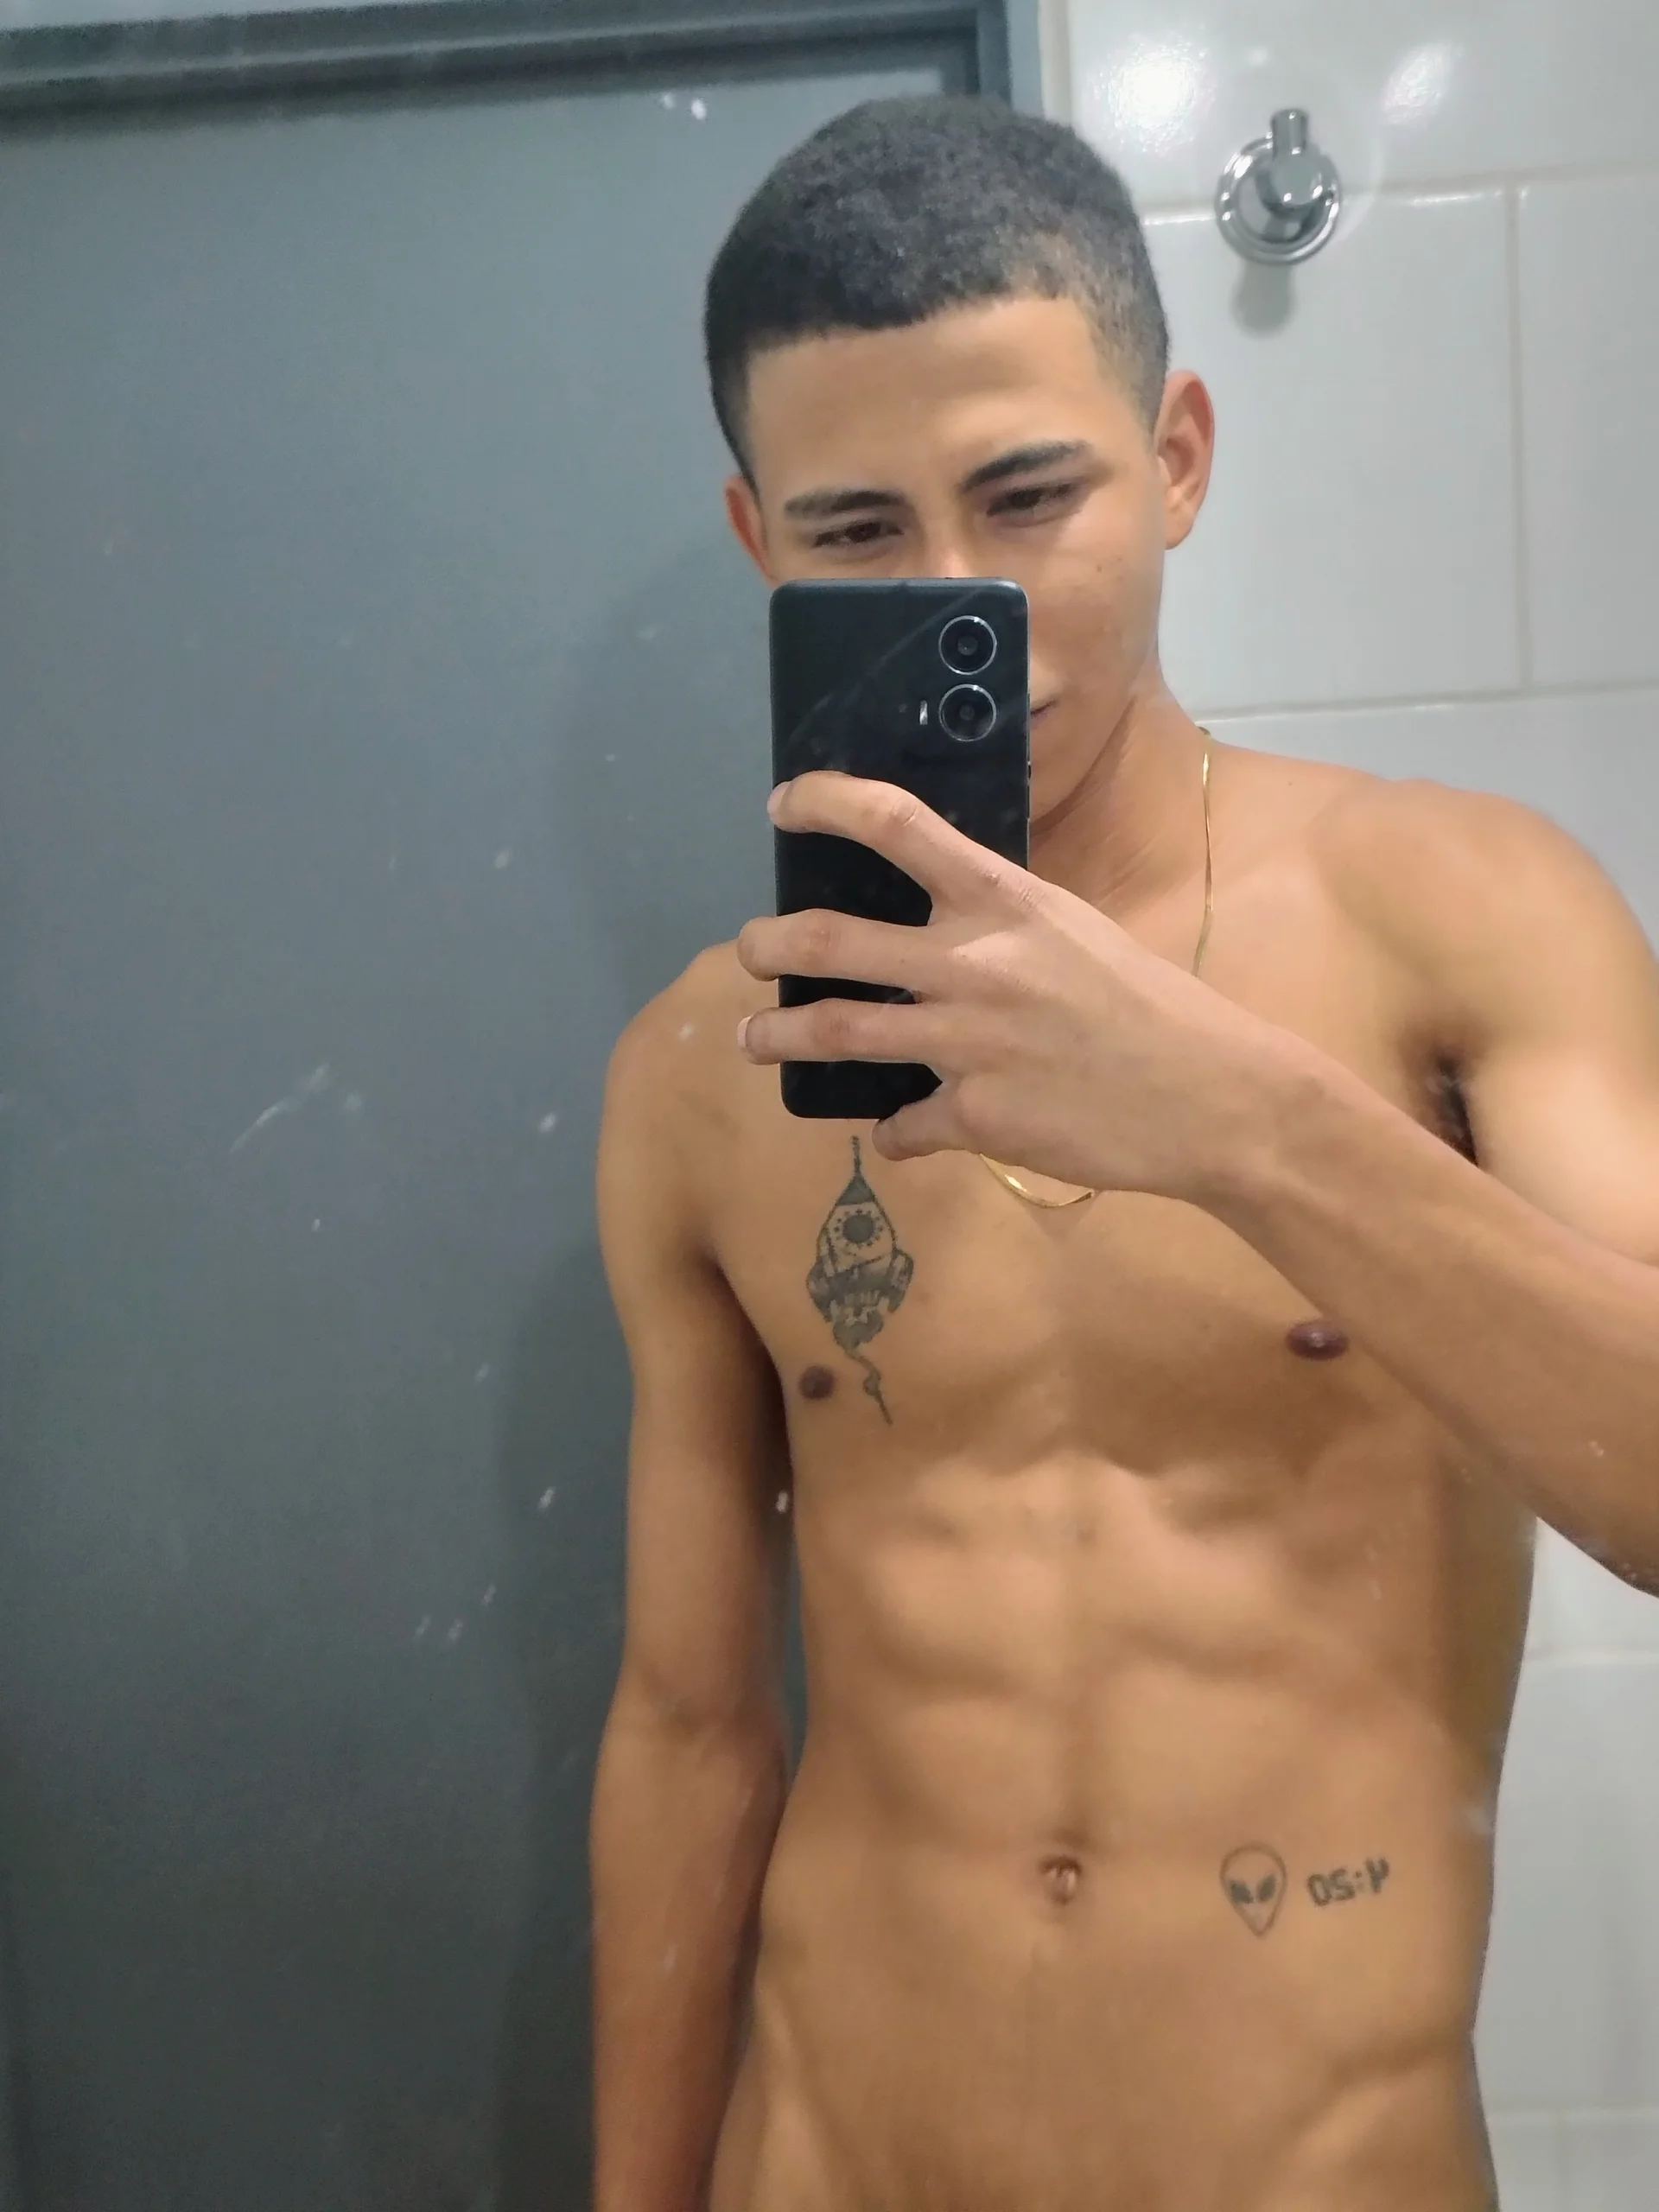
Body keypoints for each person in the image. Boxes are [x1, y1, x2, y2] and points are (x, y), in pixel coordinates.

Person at [588, 95, 1659, 2212]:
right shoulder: (708, 1068)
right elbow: (692, 1730)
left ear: (1175, 456)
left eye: (1029, 493)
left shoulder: (1460, 913)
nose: (962, 592)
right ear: (756, 540)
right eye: (856, 527)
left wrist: (1235, 1117)